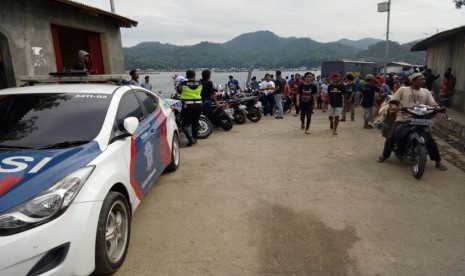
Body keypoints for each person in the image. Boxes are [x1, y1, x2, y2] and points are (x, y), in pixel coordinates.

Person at [376, 72, 447, 171]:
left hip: (421, 119)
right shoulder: (403, 90)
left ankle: (438, 162)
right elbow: (393, 101)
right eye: (421, 79)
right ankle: (384, 155)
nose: (424, 81)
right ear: (413, 81)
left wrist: (438, 108)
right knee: (391, 137)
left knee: (430, 140)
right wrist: (394, 107)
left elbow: (432, 104)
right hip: (404, 118)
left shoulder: (426, 92)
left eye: (424, 79)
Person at [176, 70, 203, 146]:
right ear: (194, 75)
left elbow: (178, 90)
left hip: (187, 105)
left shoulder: (183, 84)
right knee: (195, 123)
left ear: (186, 76)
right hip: (199, 105)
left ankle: (191, 140)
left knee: (185, 124)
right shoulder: (200, 83)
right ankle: (195, 139)